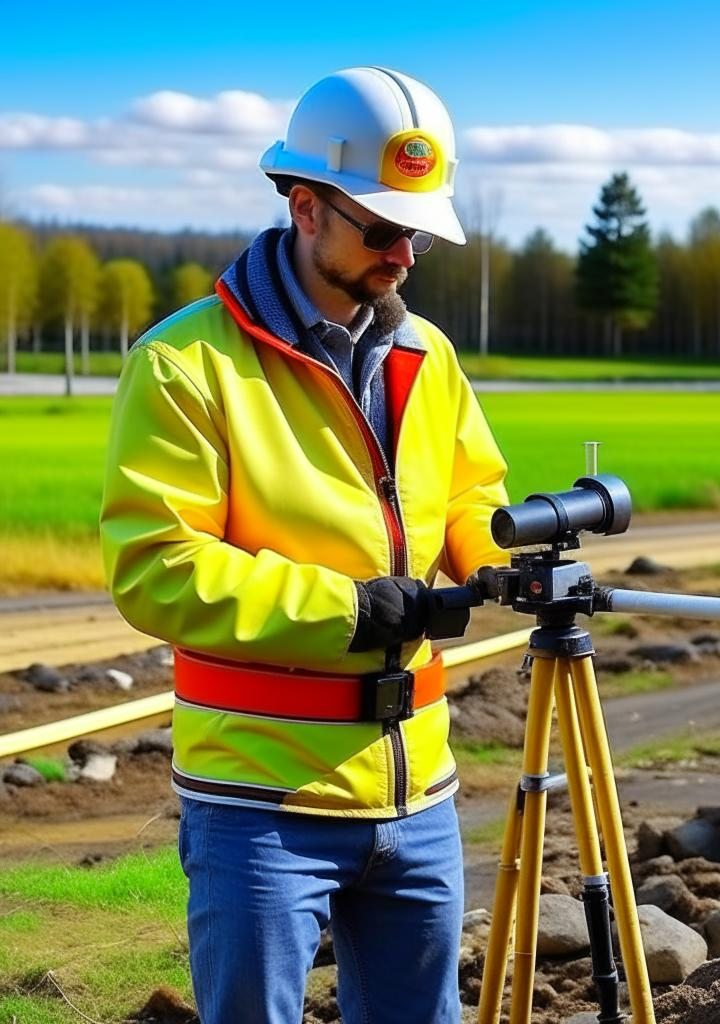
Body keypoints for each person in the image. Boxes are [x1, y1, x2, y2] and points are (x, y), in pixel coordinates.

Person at [99, 66, 509, 1024]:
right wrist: (350, 610)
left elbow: (468, 494)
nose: (403, 255)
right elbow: (158, 568)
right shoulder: (185, 364)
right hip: (260, 800)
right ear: (306, 205)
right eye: (383, 228)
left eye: (418, 234)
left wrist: (498, 557)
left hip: (417, 791)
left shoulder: (428, 355)